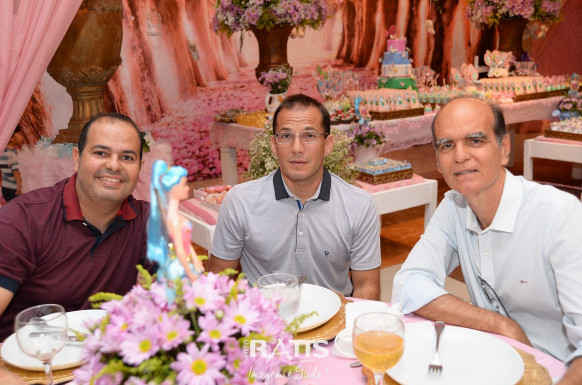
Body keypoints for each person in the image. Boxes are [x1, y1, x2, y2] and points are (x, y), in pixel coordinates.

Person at [392, 97, 582, 385]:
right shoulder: (454, 207)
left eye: (475, 140)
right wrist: (501, 325)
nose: (460, 156)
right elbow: (409, 285)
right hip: (492, 367)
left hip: (558, 377)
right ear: (438, 160)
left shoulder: (559, 217)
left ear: (504, 148)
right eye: (447, 145)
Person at [208, 94, 381, 300]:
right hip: (266, 317)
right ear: (274, 145)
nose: (297, 148)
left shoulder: (359, 205)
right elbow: (218, 282)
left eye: (309, 135)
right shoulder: (240, 202)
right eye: (286, 136)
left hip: (335, 316)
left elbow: (367, 286)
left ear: (328, 145)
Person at [0, 112, 152, 341]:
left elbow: (181, 293)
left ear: (140, 167)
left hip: (103, 356)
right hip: (28, 357)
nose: (114, 165)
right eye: (101, 153)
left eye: (127, 157)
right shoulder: (23, 219)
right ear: (77, 158)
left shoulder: (147, 221)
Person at [148, 160, 204, 300]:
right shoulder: (173, 219)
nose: (188, 188)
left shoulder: (176, 215)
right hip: (180, 266)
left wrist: (195, 259)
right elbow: (179, 250)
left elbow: (187, 244)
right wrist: (190, 273)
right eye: (184, 184)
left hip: (186, 261)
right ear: (174, 188)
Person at [0, 125, 24, 202]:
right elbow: (16, 171)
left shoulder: (2, 152)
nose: (21, 137)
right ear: (11, 138)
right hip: (14, 188)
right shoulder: (15, 153)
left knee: (10, 205)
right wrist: (19, 186)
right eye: (19, 134)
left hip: (5, 188)